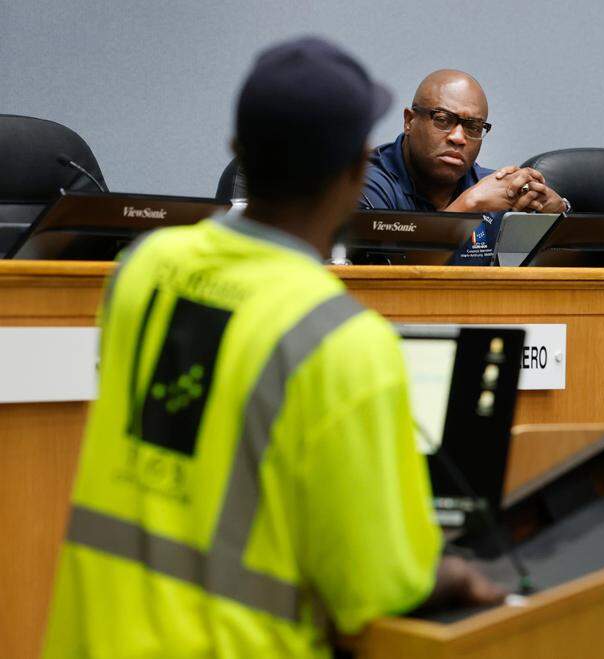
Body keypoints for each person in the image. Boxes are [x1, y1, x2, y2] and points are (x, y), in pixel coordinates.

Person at [42, 37, 503, 659]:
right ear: (353, 173)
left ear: (239, 154)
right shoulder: (339, 340)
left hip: (91, 637)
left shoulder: (141, 269)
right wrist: (448, 573)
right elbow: (376, 583)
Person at [361, 69, 568, 263]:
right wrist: (469, 204)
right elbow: (392, 280)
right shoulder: (366, 185)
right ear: (409, 121)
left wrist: (555, 219)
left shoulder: (496, 191)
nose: (458, 138)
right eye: (442, 120)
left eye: (473, 127)